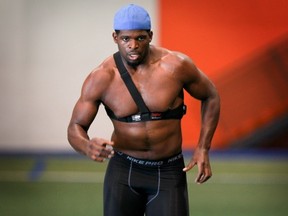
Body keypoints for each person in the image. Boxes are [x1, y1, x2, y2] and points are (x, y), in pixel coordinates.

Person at [67, 4, 220, 216]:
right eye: (125, 39)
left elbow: (211, 96)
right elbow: (75, 127)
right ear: (115, 37)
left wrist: (203, 147)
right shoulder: (101, 78)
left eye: (140, 38)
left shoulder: (175, 66)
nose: (133, 45)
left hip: (168, 170)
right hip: (123, 171)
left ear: (150, 36)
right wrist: (86, 146)